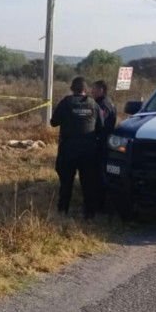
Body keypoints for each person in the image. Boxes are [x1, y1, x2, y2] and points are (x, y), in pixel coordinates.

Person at [50, 77, 104, 218]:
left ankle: (63, 211)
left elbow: (53, 122)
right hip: (88, 151)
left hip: (68, 149)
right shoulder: (93, 104)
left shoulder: (66, 103)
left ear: (72, 89)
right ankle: (89, 214)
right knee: (88, 183)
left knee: (66, 182)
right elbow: (101, 127)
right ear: (86, 91)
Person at [90, 80, 117, 213]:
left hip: (102, 144)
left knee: (99, 175)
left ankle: (100, 206)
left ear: (101, 90)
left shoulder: (104, 104)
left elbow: (100, 122)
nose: (91, 92)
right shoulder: (104, 102)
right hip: (102, 142)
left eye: (93, 89)